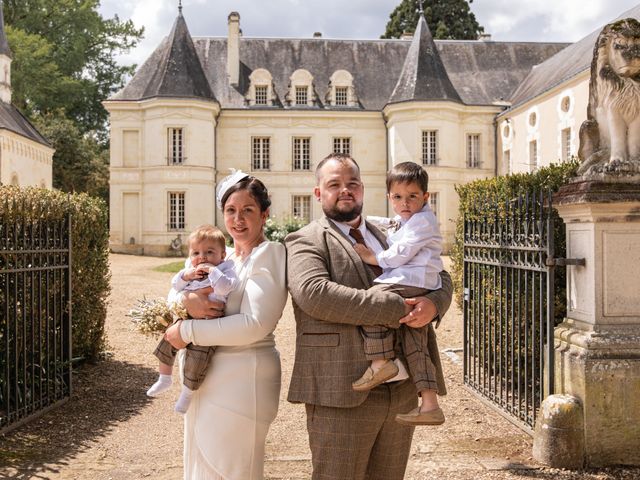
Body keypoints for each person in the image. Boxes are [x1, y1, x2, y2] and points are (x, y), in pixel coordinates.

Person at [286, 153, 453, 480]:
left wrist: (434, 304)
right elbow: (314, 294)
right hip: (343, 391)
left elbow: (438, 274)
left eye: (353, 184)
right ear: (319, 193)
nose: (345, 190)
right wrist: (396, 308)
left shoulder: (393, 229)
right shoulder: (305, 238)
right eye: (334, 184)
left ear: (363, 189)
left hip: (403, 390)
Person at [163, 170, 287, 480]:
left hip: (242, 386)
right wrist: (184, 304)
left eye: (248, 210)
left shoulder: (268, 255)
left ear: (264, 214)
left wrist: (186, 331)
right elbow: (175, 288)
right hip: (205, 382)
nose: (238, 219)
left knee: (232, 471)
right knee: (201, 468)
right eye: (231, 210)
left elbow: (255, 323)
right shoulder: (224, 256)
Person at [351, 161, 446, 426]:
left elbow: (401, 252)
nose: (405, 203)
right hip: (418, 283)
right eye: (398, 197)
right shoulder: (410, 219)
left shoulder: (423, 221)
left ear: (425, 197)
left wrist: (374, 257)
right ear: (389, 198)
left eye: (412, 196)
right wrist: (367, 221)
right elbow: (395, 224)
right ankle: (430, 405)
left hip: (411, 281)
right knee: (417, 345)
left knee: (372, 302)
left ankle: (381, 363)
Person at [146, 224, 237, 414]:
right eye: (196, 252)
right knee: (167, 340)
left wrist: (214, 272)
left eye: (209, 252)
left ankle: (187, 393)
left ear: (222, 255)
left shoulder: (226, 269)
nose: (202, 257)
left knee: (198, 359)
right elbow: (175, 286)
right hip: (186, 317)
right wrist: (186, 276)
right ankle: (164, 377)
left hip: (208, 323)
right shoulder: (191, 269)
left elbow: (225, 288)